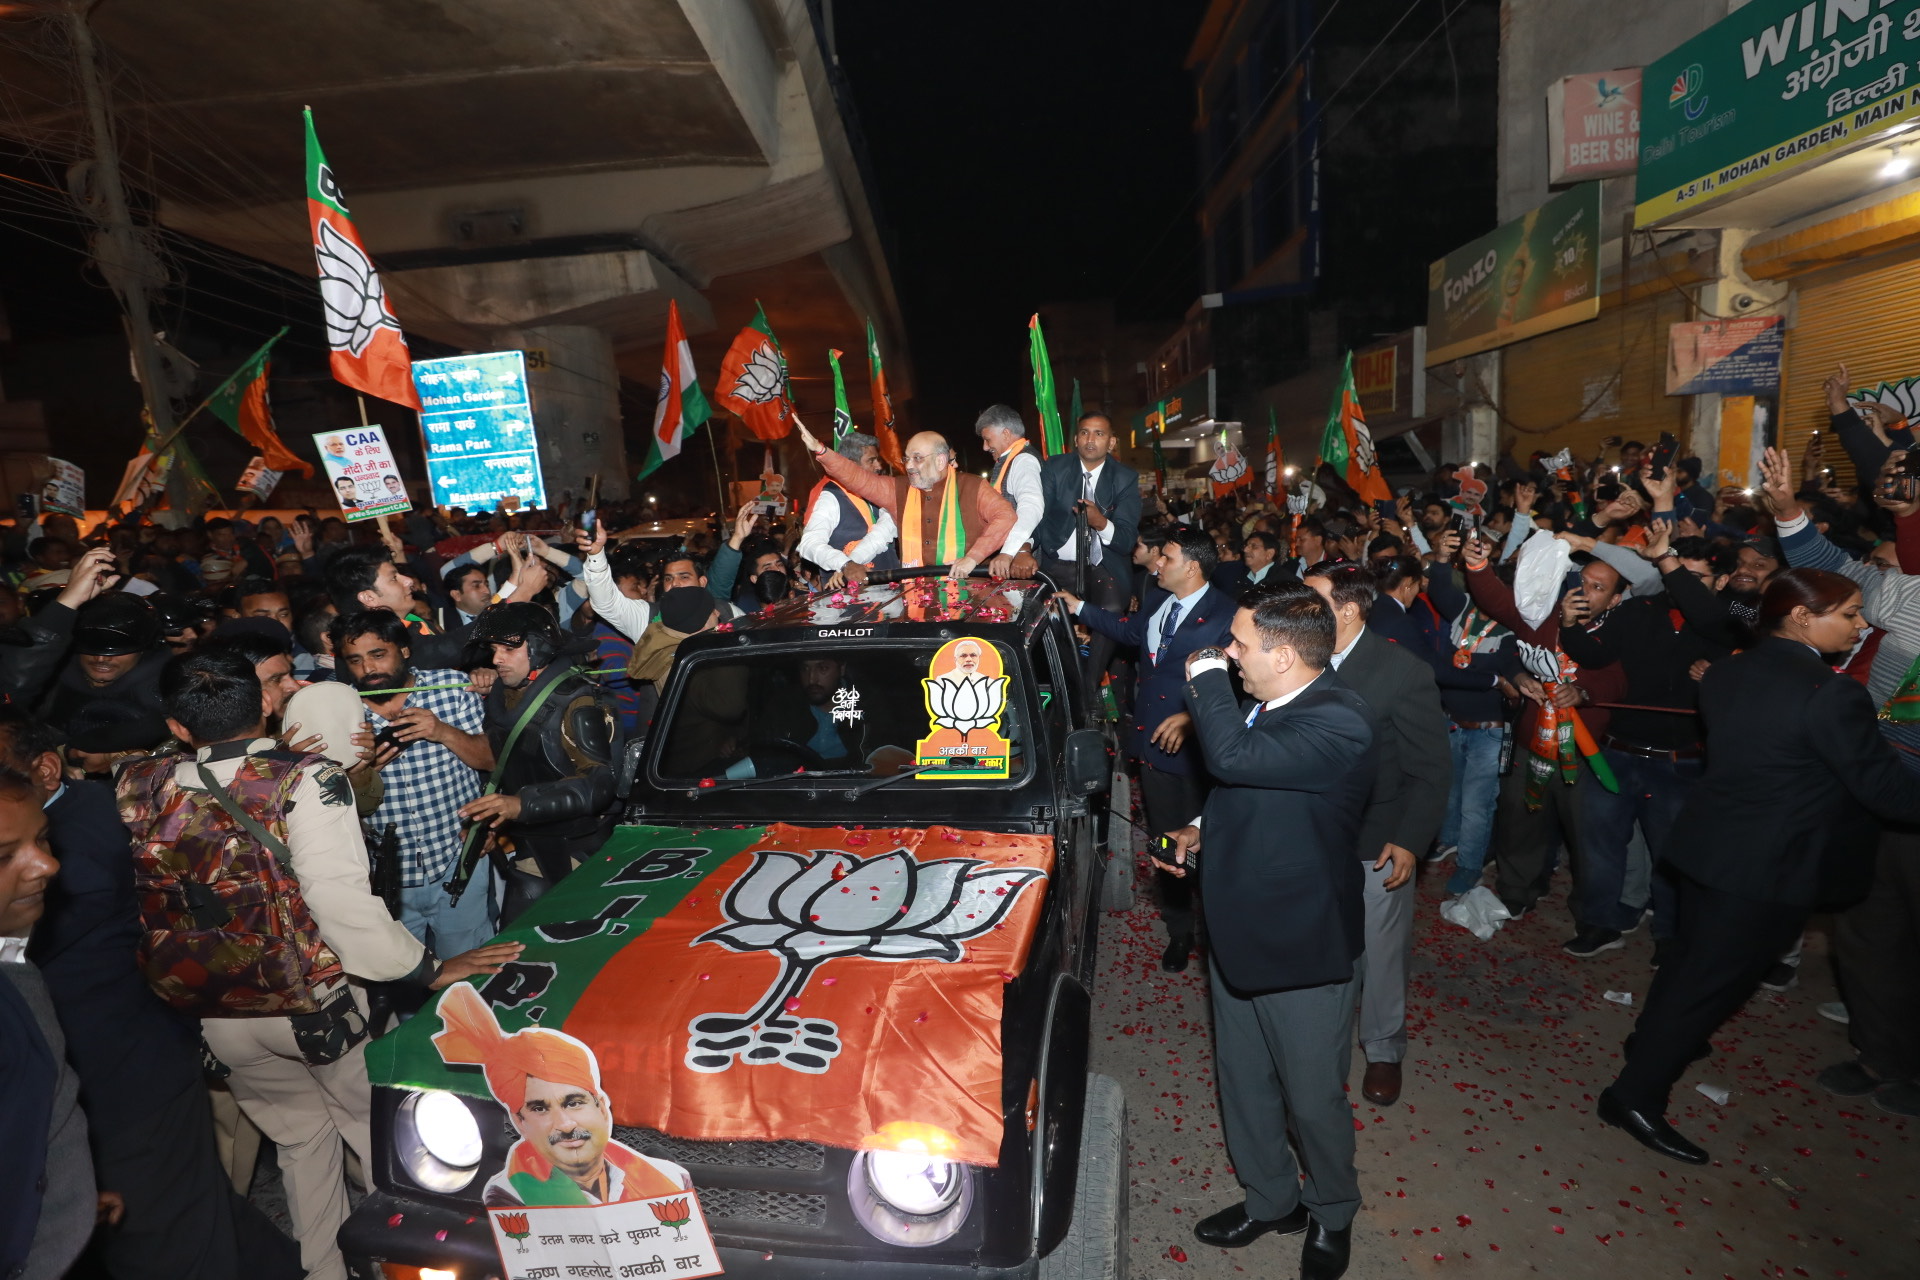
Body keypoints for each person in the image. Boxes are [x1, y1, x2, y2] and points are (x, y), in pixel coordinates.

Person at [118, 649, 521, 1280]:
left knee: (301, 1146)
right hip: (313, 1004)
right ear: (269, 705)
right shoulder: (306, 778)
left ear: (176, 727)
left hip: (217, 1009)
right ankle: (425, 1264)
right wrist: (427, 970)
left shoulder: (139, 781)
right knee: (386, 1148)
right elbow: (335, 900)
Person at [1600, 568, 1920, 1163]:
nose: (1861, 625)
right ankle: (1635, 1096)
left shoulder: (1729, 670)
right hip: (1764, 869)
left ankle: (1653, 1039)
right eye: (1849, 614)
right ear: (1801, 617)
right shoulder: (1831, 694)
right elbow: (1887, 794)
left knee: (1688, 961)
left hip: (1708, 844)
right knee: (1708, 984)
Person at [8, 708, 294, 1280]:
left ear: (41, 770)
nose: (43, 865)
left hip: (126, 1079)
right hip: (126, 1078)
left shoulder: (81, 837)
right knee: (198, 1215)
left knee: (168, 1236)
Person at [1169, 582, 1376, 1279]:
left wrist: (1203, 682)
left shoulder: (1340, 719)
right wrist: (1199, 830)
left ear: (1285, 656)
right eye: (1227, 644)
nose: (1228, 654)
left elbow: (1232, 760)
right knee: (1246, 1083)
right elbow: (1248, 790)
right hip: (1237, 932)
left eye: (1240, 644)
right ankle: (1270, 1199)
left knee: (1311, 1098)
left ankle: (1332, 1209)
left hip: (1302, 948)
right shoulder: (1269, 704)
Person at [1303, 562, 1450, 1108]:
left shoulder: (1400, 670)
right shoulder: (1296, 658)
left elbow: (1431, 769)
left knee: (1381, 952)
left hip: (1376, 839)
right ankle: (1320, 1044)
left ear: (1347, 609)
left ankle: (1384, 1049)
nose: (1300, 607)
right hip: (1309, 835)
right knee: (1320, 948)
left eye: (1312, 598)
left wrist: (1411, 839)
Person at [1061, 528, 1234, 972]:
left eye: (1167, 558)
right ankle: (1179, 931)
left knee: (1213, 843)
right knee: (1165, 841)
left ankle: (1219, 930)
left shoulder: (1228, 616)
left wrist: (1195, 720)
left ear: (1192, 567)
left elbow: (1240, 689)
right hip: (1155, 748)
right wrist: (1079, 607)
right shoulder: (1158, 601)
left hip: (1203, 755)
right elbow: (1130, 633)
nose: (1157, 563)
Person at [431, 983, 691, 1206]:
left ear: (601, 1106)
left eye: (575, 1103)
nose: (565, 1125)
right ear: (519, 1120)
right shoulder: (508, 1196)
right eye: (540, 1109)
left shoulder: (671, 1181)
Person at [333, 610, 496, 953]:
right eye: (356, 660)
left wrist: (442, 732)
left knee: (472, 969)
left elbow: (491, 760)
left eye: (378, 654)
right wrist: (363, 769)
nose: (368, 669)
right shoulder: (338, 711)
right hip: (385, 877)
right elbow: (327, 804)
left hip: (458, 860)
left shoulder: (450, 689)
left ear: (404, 650)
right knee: (405, 985)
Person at [1, 762, 107, 1280]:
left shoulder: (13, 956)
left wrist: (69, 1187)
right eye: (4, 857)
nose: (45, 865)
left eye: (42, 839)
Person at [456, 604, 622, 917]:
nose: (496, 659)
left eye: (508, 648)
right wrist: (495, 816)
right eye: (493, 650)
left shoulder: (578, 699)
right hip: (530, 844)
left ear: (539, 647)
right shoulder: (503, 694)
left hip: (578, 850)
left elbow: (600, 784)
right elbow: (509, 763)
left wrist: (519, 804)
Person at [797, 418, 1015, 578]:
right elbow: (859, 479)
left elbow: (1005, 517)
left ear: (941, 461)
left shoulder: (973, 486)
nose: (909, 465)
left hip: (968, 592)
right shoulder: (898, 489)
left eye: (917, 459)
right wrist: (821, 451)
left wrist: (973, 558)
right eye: (907, 458)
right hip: (914, 596)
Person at [1035, 413, 1142, 699]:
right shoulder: (1055, 467)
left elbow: (1126, 540)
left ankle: (1088, 687)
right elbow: (1036, 514)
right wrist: (1023, 549)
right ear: (1075, 439)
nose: (1090, 439)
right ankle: (1079, 687)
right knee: (1045, 620)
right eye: (1084, 432)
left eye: (1098, 433)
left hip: (1103, 563)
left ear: (1111, 441)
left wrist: (1100, 522)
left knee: (1111, 610)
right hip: (1056, 560)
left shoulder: (1125, 478)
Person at [797, 431, 899, 584]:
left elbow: (883, 533)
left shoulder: (885, 491)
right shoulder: (830, 497)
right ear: (850, 465)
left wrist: (847, 564)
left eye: (877, 460)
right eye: (871, 461)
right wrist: (845, 564)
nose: (878, 466)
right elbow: (808, 545)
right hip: (849, 600)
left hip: (890, 591)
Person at [976, 404, 1045, 580]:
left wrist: (1009, 552)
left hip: (1020, 562)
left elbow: (1031, 507)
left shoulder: (1023, 460)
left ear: (1006, 434)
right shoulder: (1011, 459)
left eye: (987, 439)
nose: (985, 447)